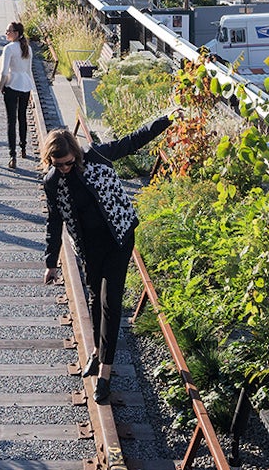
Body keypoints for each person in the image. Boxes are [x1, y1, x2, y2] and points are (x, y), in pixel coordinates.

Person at [40, 118, 173, 403]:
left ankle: (105, 375)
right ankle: (97, 353)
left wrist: (166, 119)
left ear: (75, 153)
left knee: (111, 302)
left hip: (118, 239)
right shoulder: (52, 182)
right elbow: (54, 222)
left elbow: (132, 141)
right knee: (94, 301)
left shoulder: (96, 155)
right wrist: (51, 261)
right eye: (57, 164)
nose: (64, 169)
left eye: (67, 163)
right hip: (89, 247)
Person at [0, 21, 35, 169]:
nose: (6, 33)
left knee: (11, 121)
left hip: (12, 85)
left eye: (9, 31)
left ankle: (12, 154)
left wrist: (1, 86)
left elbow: (4, 72)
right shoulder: (28, 49)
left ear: (16, 33)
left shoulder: (9, 49)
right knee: (22, 117)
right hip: (25, 85)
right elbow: (29, 71)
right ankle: (23, 148)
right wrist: (32, 89)